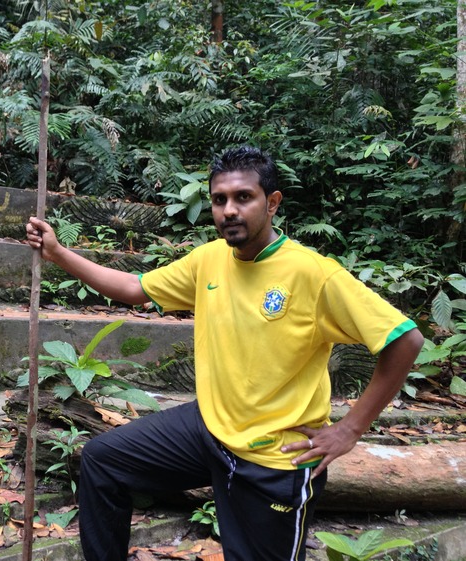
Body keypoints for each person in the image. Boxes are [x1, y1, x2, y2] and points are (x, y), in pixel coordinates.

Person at [25, 145, 423, 561]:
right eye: (219, 200)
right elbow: (134, 288)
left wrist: (349, 431)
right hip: (208, 429)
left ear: (272, 203)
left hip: (275, 457)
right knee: (103, 462)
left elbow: (404, 339)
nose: (229, 210)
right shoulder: (210, 259)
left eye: (243, 197)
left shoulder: (313, 273)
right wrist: (57, 253)